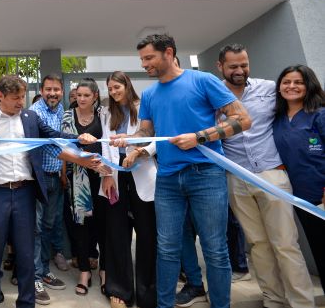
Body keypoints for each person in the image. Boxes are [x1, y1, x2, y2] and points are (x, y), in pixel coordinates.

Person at [111, 34, 252, 308]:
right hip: (167, 179)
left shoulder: (203, 81)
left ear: (168, 53)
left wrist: (199, 137)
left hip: (206, 175)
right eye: (142, 59)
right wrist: (130, 139)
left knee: (215, 249)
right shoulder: (150, 93)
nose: (144, 65)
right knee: (166, 249)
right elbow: (146, 130)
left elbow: (243, 119)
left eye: (149, 58)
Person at [0, 75, 99, 308]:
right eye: (15, 98)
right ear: (0, 96)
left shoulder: (30, 117)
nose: (21, 102)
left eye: (23, 97)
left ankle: (27, 302)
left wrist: (78, 139)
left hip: (25, 193)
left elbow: (53, 136)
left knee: (26, 253)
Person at [214, 45, 315, 308]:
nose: (240, 71)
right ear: (220, 67)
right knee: (257, 244)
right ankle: (273, 300)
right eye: (233, 66)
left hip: (273, 174)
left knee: (285, 244)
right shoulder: (213, 95)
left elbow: (301, 107)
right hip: (236, 177)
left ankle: (302, 303)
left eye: (244, 64)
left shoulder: (269, 88)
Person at [99, 71, 157, 308]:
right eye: (110, 88)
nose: (113, 92)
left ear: (127, 85)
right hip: (116, 177)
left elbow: (156, 138)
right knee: (117, 234)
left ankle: (147, 293)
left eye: (117, 87)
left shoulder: (144, 106)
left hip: (142, 174)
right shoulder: (106, 112)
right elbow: (104, 145)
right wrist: (106, 175)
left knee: (147, 235)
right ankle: (119, 290)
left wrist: (139, 152)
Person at [273, 64, 325, 293]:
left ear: (309, 85)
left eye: (298, 82)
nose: (291, 86)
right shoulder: (277, 119)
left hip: (322, 197)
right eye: (286, 82)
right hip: (302, 199)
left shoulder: (320, 114)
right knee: (320, 252)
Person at [60, 78, 106, 298]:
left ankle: (105, 271)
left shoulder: (104, 115)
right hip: (78, 178)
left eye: (87, 95)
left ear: (95, 97)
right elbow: (61, 147)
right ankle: (84, 273)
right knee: (81, 224)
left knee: (104, 223)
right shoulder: (67, 116)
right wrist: (63, 173)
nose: (82, 99)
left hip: (104, 176)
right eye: (79, 95)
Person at [29, 75, 68, 305]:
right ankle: (34, 277)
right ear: (41, 91)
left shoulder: (60, 109)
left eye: (56, 90)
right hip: (39, 179)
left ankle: (44, 270)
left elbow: (62, 143)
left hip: (54, 178)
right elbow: (54, 145)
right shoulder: (36, 112)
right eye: (49, 90)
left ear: (61, 91)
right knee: (36, 228)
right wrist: (82, 159)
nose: (53, 93)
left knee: (48, 226)